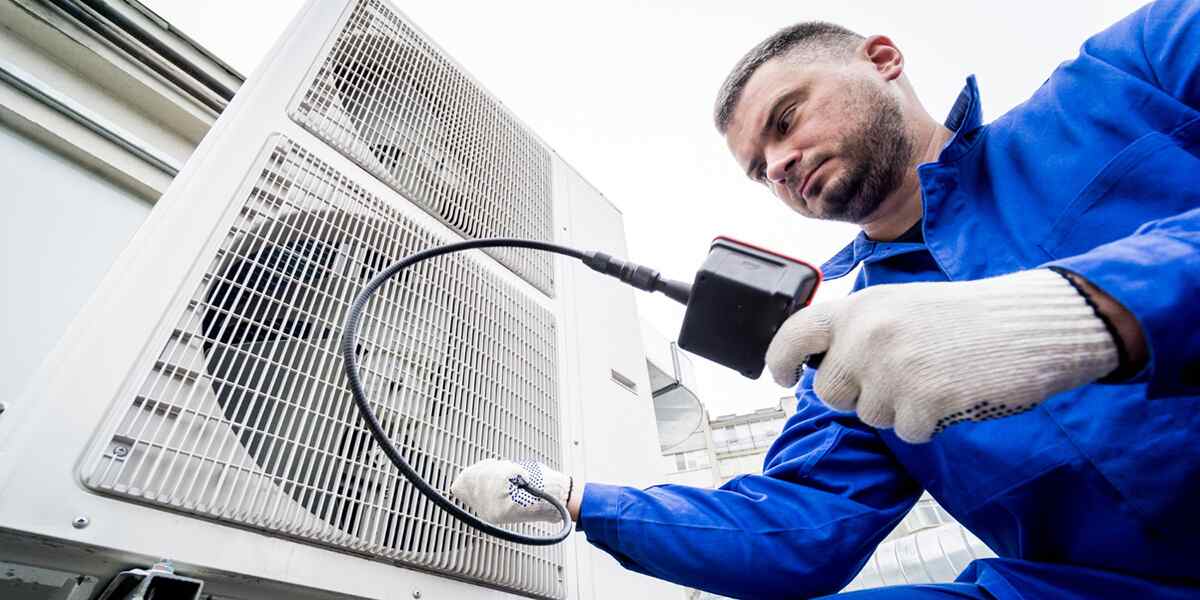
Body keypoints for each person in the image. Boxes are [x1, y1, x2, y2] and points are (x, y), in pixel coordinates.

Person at [451, 1, 1200, 597]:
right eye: (757, 169)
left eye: (786, 121)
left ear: (882, 60)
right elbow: (797, 530)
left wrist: (1075, 313)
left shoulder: (1131, 72)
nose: (778, 164)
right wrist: (578, 497)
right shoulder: (855, 357)